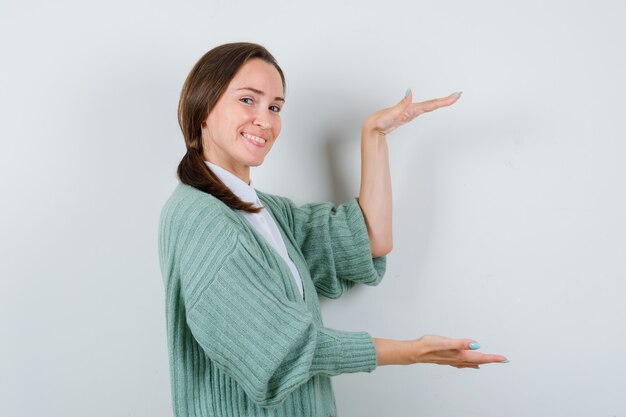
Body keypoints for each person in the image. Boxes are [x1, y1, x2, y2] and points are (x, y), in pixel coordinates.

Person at [158, 42, 507, 417]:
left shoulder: (264, 212)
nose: (266, 120)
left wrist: (374, 134)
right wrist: (414, 352)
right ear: (203, 108)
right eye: (248, 100)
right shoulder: (202, 219)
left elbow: (369, 240)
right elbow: (281, 351)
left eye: (275, 107)